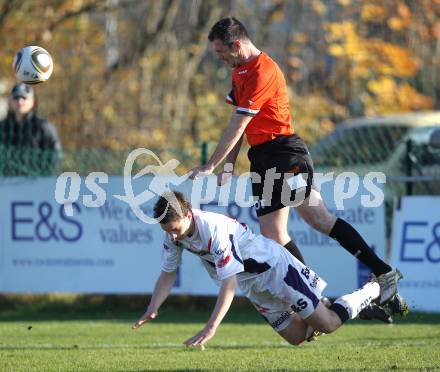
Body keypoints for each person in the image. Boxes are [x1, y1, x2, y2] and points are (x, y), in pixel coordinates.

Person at [189, 16, 401, 305]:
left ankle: (384, 272)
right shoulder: (239, 71)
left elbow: (238, 124)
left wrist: (211, 164)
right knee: (273, 235)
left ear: (237, 44)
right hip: (262, 158)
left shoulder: (263, 70)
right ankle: (315, 299)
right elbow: (239, 124)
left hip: (285, 152)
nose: (220, 58)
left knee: (318, 217)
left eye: (221, 52)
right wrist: (228, 165)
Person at [132, 191, 407, 347]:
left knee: (328, 324)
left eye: (175, 229)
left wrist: (211, 327)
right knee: (297, 337)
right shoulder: (172, 235)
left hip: (276, 270)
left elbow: (228, 284)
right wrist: (153, 307)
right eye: (167, 231)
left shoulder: (213, 230)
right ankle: (330, 307)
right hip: (253, 286)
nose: (173, 236)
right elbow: (168, 272)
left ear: (188, 215)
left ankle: (371, 289)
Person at [0, 83, 62, 176]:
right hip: (6, 182)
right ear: (10, 101)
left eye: (24, 98)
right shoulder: (3, 127)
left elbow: (55, 155)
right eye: (16, 97)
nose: (20, 101)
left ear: (32, 101)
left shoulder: (42, 127)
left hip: (35, 182)